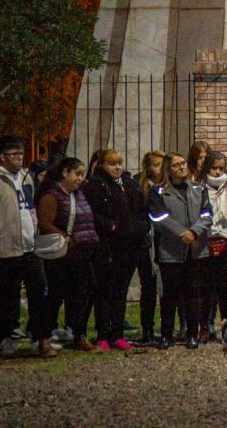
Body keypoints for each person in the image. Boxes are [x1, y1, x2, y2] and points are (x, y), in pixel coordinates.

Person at [0, 135, 47, 358]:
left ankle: (39, 336)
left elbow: (30, 206)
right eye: (13, 155)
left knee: (39, 289)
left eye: (21, 154)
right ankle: (6, 336)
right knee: (8, 294)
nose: (18, 159)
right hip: (5, 247)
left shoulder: (26, 178)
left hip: (30, 245)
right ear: (2, 157)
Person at [148, 152, 213, 349]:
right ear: (168, 169)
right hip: (171, 252)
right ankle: (166, 334)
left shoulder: (198, 189)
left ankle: (192, 334)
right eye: (176, 165)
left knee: (193, 294)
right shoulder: (158, 192)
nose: (181, 167)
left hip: (195, 250)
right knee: (170, 295)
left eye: (183, 163)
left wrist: (194, 232)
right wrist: (181, 233)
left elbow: (207, 213)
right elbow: (158, 217)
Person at [81, 149, 143, 352]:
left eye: (119, 163)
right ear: (101, 165)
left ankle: (117, 333)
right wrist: (111, 227)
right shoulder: (97, 186)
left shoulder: (127, 185)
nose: (117, 168)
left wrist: (137, 228)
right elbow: (93, 213)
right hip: (107, 246)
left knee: (119, 292)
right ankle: (102, 334)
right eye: (112, 164)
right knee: (104, 292)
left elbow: (138, 211)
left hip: (127, 246)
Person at [36, 157, 99, 353]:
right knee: (55, 295)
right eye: (77, 174)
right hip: (62, 254)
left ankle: (78, 333)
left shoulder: (78, 195)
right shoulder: (51, 196)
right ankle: (44, 337)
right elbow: (45, 223)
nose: (80, 179)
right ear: (65, 173)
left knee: (80, 296)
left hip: (82, 252)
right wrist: (63, 235)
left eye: (82, 174)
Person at [199, 151, 227, 342]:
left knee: (223, 287)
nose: (217, 172)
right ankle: (205, 325)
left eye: (221, 168)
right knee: (205, 286)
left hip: (225, 237)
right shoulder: (200, 186)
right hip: (206, 239)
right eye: (214, 168)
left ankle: (226, 325)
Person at [134, 150, 165, 344]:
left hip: (164, 241)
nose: (159, 169)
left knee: (167, 288)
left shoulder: (168, 186)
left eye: (162, 165)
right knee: (149, 286)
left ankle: (167, 328)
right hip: (145, 241)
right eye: (155, 165)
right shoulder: (139, 186)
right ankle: (147, 328)